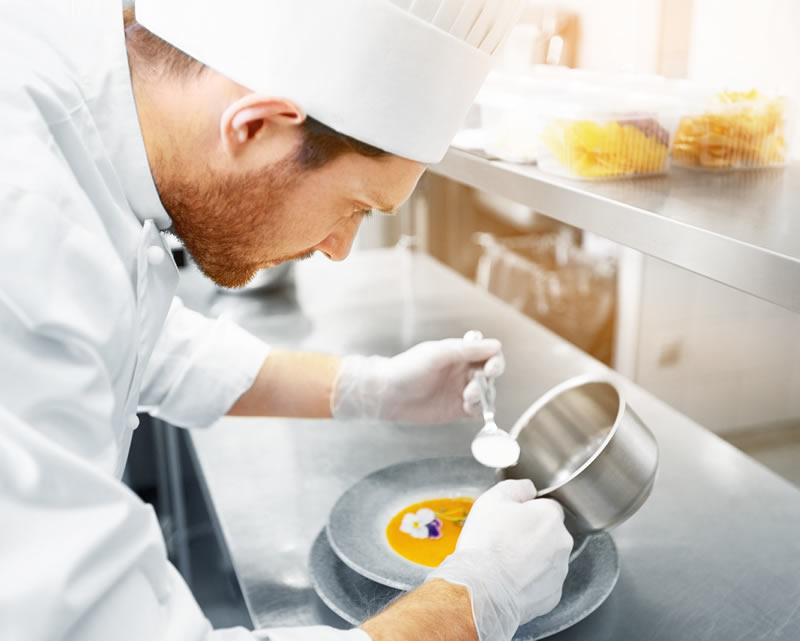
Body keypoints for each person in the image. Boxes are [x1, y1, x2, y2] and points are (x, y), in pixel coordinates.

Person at [0, 1, 573, 640]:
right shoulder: (21, 222)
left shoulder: (71, 111)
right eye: (355, 206)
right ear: (257, 126)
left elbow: (138, 343)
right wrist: (476, 602)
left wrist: (370, 386)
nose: (339, 248)